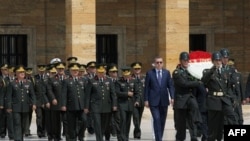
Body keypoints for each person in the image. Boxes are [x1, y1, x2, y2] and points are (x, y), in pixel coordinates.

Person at [201, 51, 237, 141]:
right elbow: (204, 80)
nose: (218, 62)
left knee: (233, 118)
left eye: (219, 60)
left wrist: (232, 99)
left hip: (224, 100)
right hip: (214, 101)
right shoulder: (208, 71)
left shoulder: (226, 72)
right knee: (214, 127)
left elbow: (228, 87)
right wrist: (213, 69)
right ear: (213, 61)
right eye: (216, 60)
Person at [172, 52, 202, 141]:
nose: (186, 62)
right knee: (181, 124)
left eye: (187, 60)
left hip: (190, 98)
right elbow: (184, 84)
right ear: (180, 61)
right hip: (181, 101)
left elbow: (196, 77)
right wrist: (197, 83)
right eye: (184, 60)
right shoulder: (177, 72)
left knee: (193, 120)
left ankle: (194, 136)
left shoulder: (191, 71)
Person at [144, 56, 175, 141]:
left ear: (163, 63)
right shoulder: (150, 73)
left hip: (164, 100)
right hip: (153, 101)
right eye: (157, 62)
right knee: (156, 119)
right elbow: (146, 87)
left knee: (162, 121)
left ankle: (159, 137)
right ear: (154, 64)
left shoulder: (167, 73)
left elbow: (170, 86)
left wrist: (172, 97)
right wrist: (146, 99)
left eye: (160, 62)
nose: (159, 64)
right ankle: (158, 139)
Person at [85, 63, 117, 141]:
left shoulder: (109, 80)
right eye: (99, 72)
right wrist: (86, 107)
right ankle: (99, 139)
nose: (101, 74)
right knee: (97, 124)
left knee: (105, 125)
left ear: (105, 72)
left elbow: (113, 94)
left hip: (107, 106)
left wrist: (114, 105)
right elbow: (87, 95)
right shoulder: (91, 81)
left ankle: (102, 136)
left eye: (102, 72)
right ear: (96, 72)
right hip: (95, 106)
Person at [6, 65, 36, 141]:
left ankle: (21, 138)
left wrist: (34, 103)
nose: (22, 73)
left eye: (23, 72)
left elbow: (32, 95)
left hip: (26, 107)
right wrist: (9, 107)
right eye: (20, 72)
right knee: (17, 124)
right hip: (16, 107)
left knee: (23, 125)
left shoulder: (28, 83)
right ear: (16, 73)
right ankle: (18, 139)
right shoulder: (12, 83)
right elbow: (9, 96)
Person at [61, 63, 88, 141]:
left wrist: (86, 106)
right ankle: (73, 137)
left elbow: (86, 94)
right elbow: (64, 94)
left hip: (81, 106)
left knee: (84, 121)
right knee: (71, 124)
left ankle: (80, 135)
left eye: (76, 70)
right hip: (71, 105)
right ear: (70, 71)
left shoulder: (83, 80)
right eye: (73, 70)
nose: (75, 71)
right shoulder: (66, 81)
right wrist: (63, 105)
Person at [115, 66, 139, 141]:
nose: (126, 77)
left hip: (130, 104)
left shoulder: (133, 81)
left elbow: (137, 93)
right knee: (123, 120)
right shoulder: (119, 82)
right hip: (122, 104)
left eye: (128, 75)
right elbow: (117, 92)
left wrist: (137, 100)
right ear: (123, 75)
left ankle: (126, 136)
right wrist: (126, 93)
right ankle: (122, 137)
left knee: (128, 121)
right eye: (125, 75)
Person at [46, 62, 68, 141]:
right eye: (59, 69)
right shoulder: (52, 79)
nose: (61, 70)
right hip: (56, 103)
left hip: (66, 103)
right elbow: (49, 90)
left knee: (67, 120)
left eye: (62, 68)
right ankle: (57, 136)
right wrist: (53, 98)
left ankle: (68, 135)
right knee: (56, 122)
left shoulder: (68, 78)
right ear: (56, 69)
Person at [104, 63, 121, 140]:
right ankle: (108, 135)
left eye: (116, 71)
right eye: (113, 72)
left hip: (117, 103)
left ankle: (118, 134)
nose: (115, 73)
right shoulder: (105, 80)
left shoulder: (120, 80)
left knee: (118, 120)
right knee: (108, 121)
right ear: (109, 72)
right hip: (108, 103)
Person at [130, 62, 145, 139]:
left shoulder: (144, 78)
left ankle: (136, 132)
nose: (137, 70)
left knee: (139, 118)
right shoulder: (130, 78)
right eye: (135, 69)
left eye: (138, 68)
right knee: (135, 117)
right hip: (133, 101)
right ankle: (138, 133)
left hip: (142, 101)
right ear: (133, 69)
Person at [34, 65, 48, 138]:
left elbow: (48, 91)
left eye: (43, 71)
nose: (42, 72)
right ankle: (39, 132)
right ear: (38, 70)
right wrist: (34, 102)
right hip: (38, 101)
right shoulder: (35, 78)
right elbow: (33, 91)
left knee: (45, 117)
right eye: (40, 70)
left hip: (46, 102)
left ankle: (44, 131)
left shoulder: (47, 78)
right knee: (39, 117)